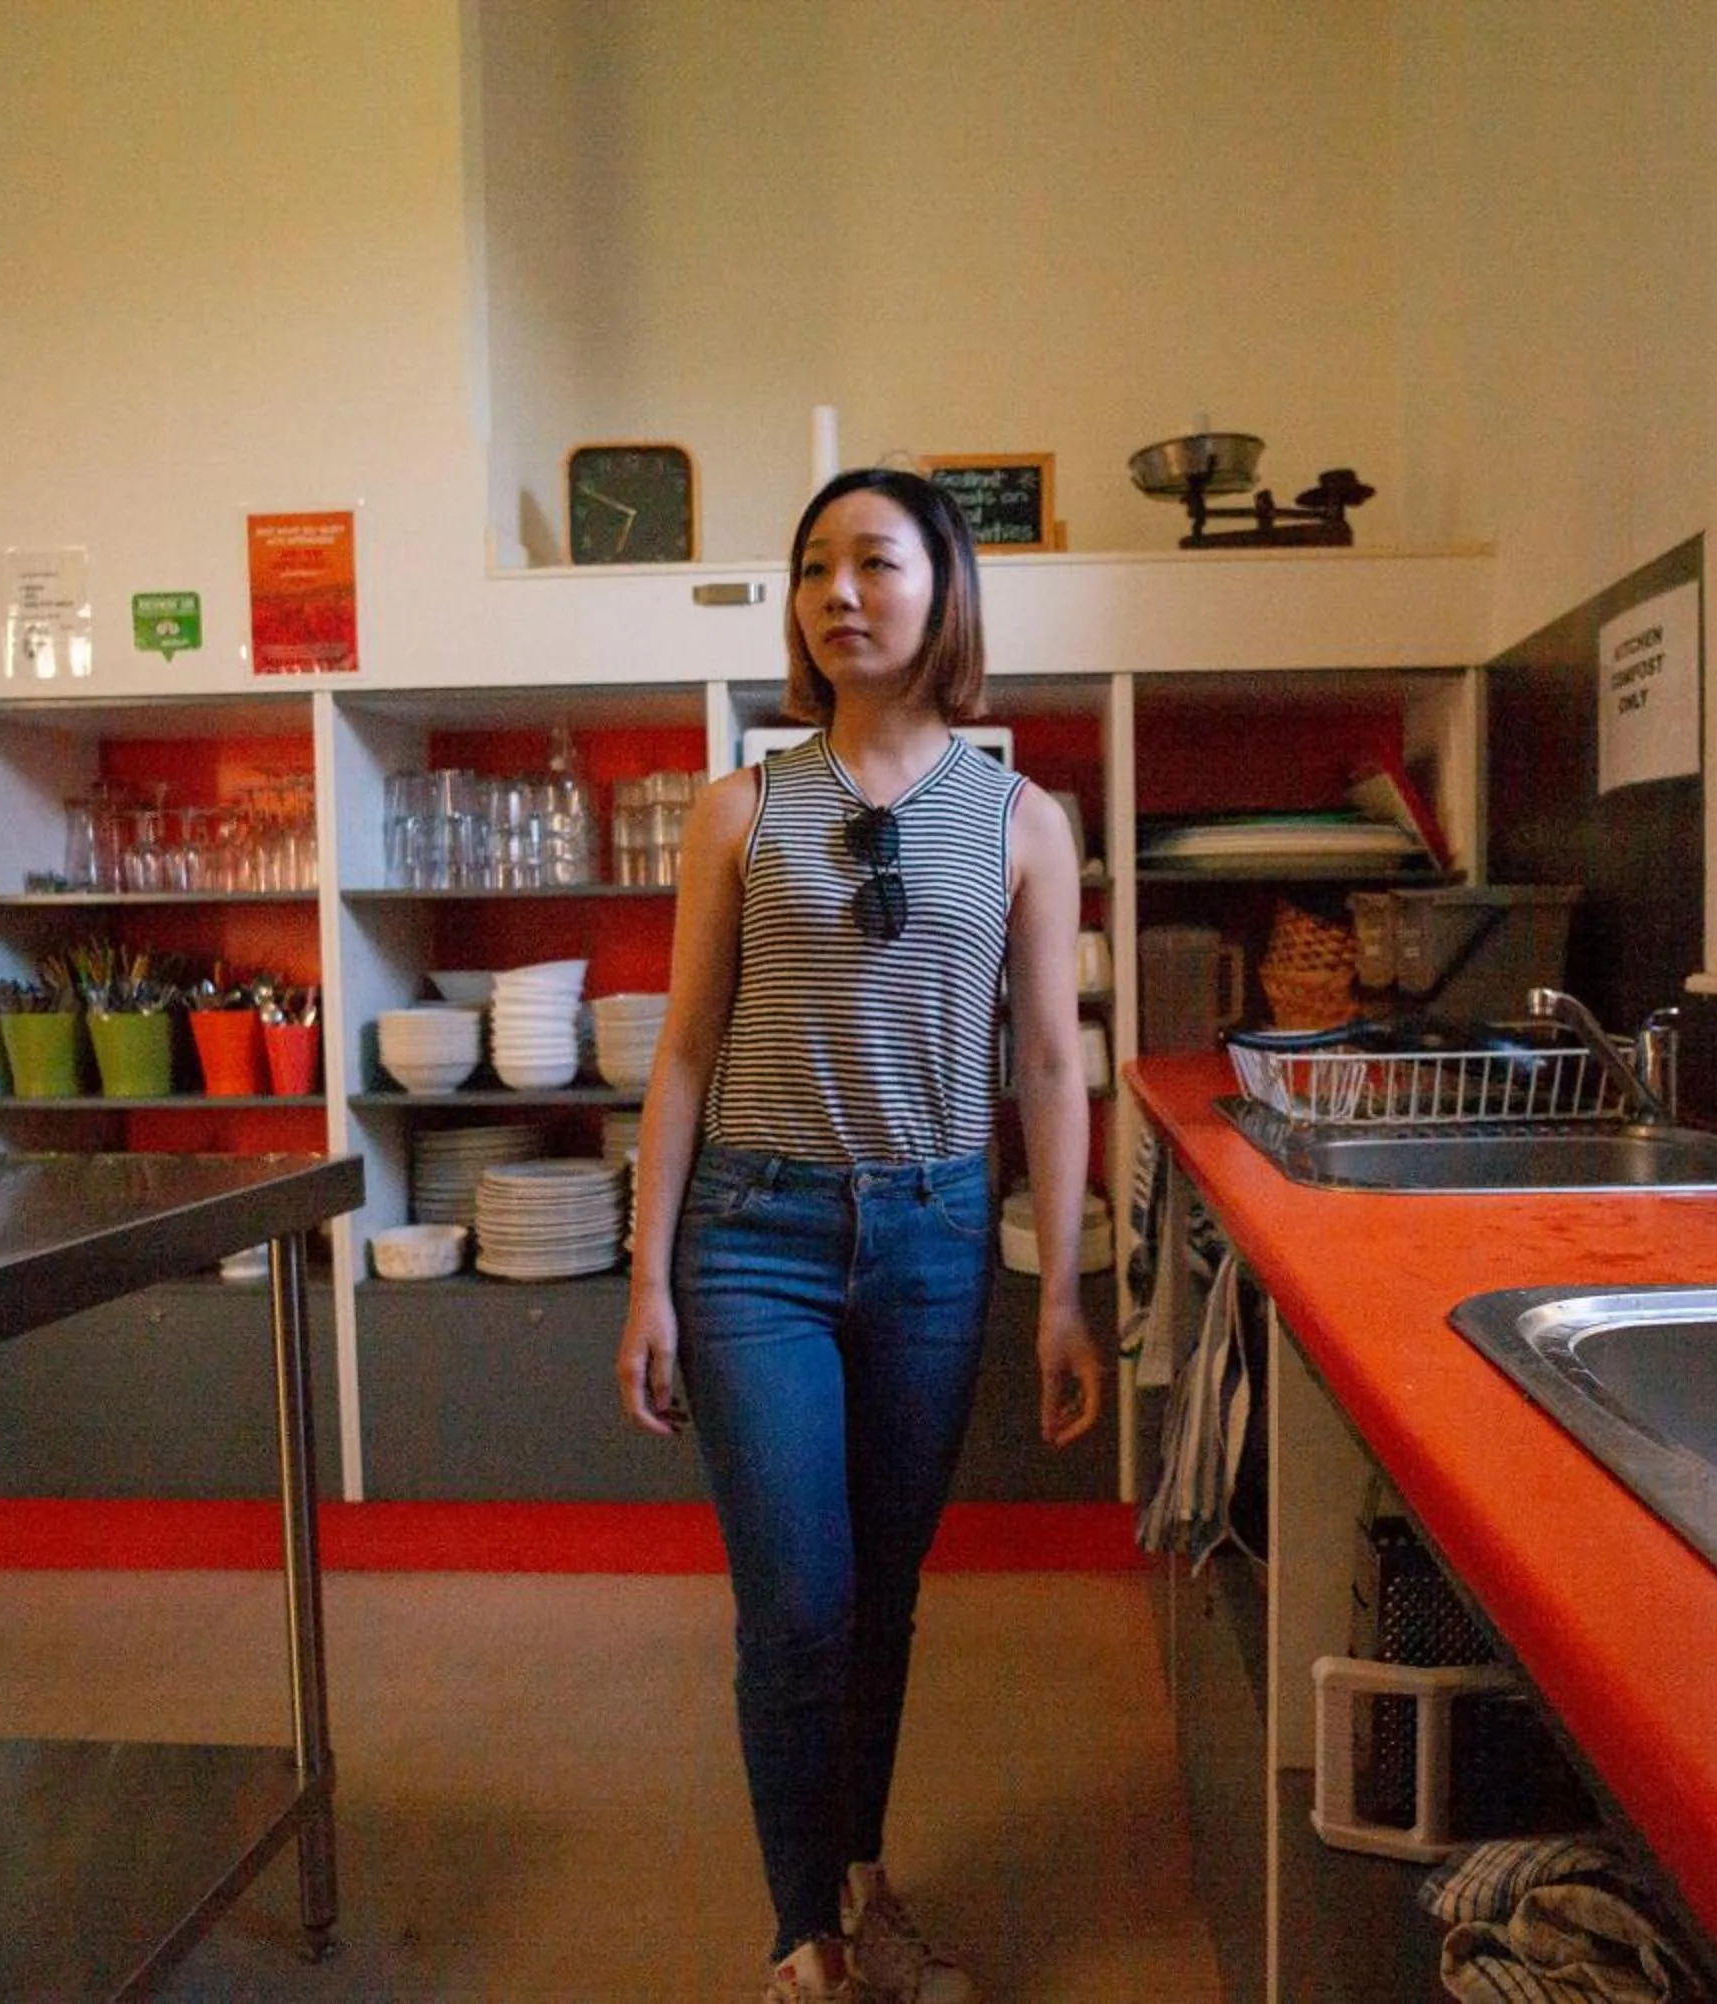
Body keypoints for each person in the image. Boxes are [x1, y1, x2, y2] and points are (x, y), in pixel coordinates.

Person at [617, 466, 1102, 2004]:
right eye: (815, 568)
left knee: (883, 1596)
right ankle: (802, 1939)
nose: (840, 593)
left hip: (938, 1237)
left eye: (875, 563)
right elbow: (685, 1049)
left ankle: (859, 1875)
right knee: (800, 1605)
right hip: (756, 1238)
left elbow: (1048, 1062)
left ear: (943, 589)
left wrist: (1064, 1292)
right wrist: (647, 1280)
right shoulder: (741, 810)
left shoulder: (1024, 819)